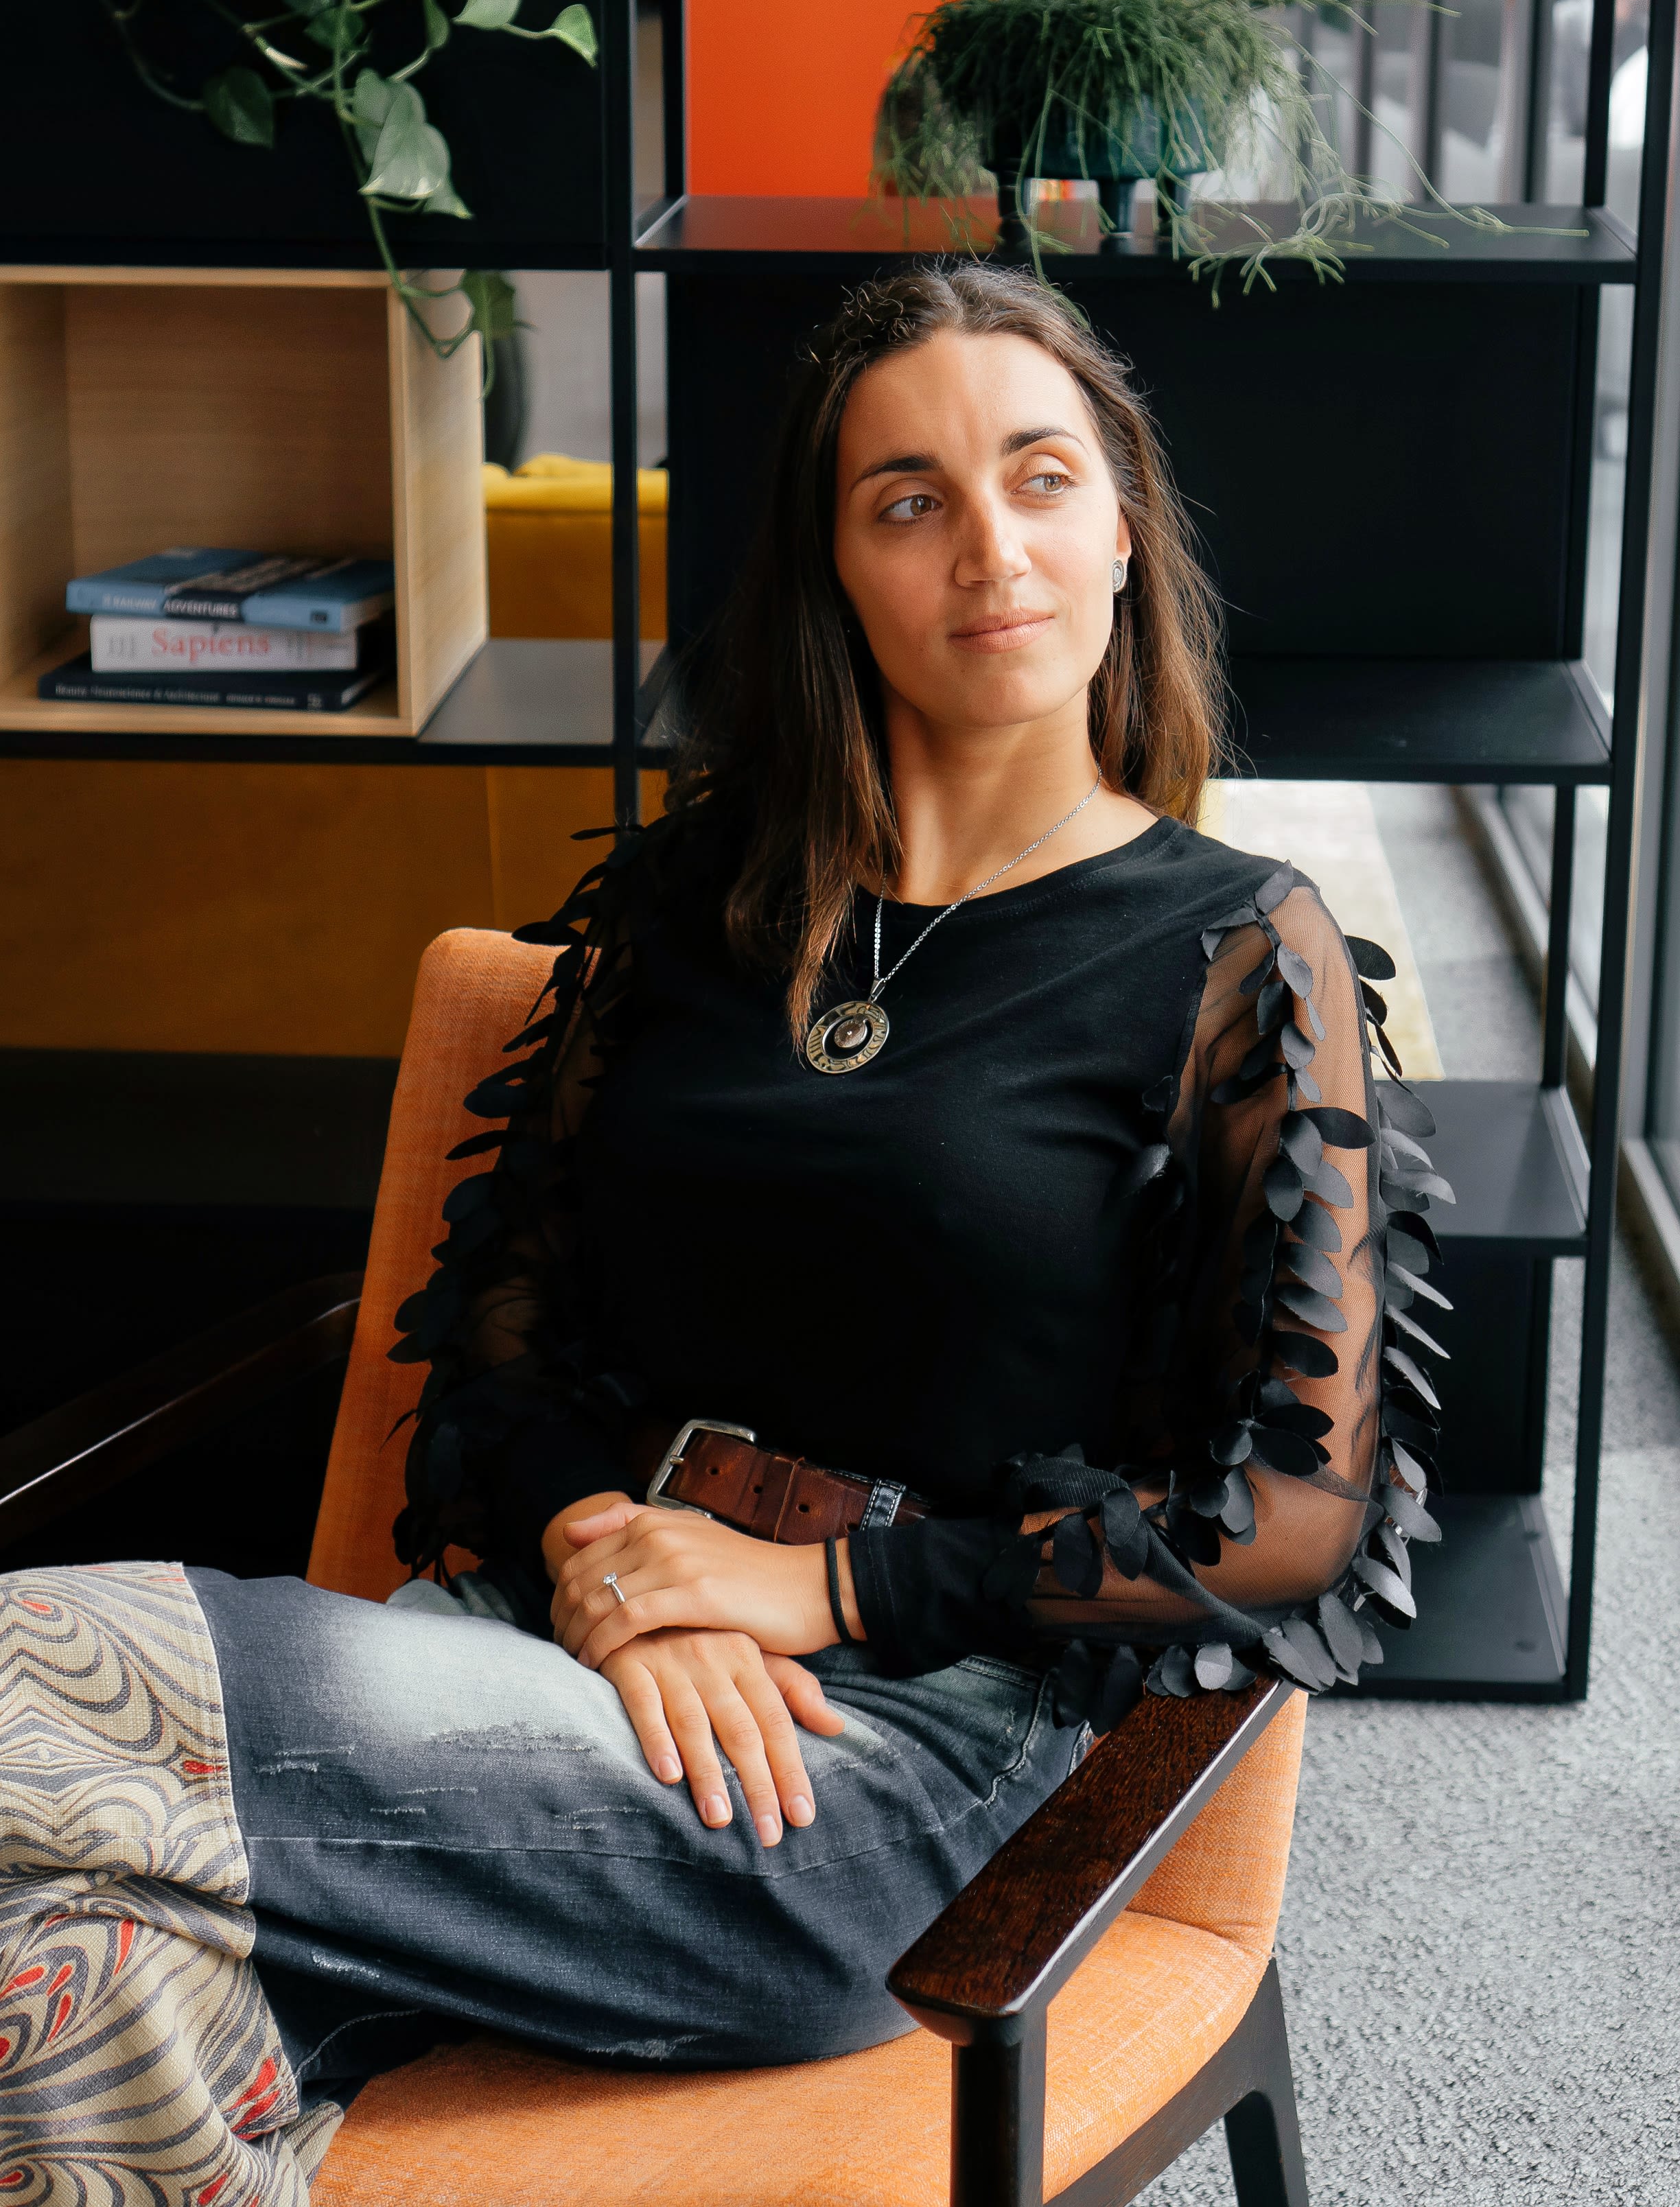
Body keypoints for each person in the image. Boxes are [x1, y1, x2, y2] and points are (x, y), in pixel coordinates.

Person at [0, 263, 1448, 2198]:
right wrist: (610, 1557)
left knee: (21, 1683)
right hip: (556, 1622)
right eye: (909, 500)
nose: (989, 547)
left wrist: (820, 1590)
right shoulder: (699, 899)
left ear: (1121, 528)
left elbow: (1294, 1516)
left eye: (1039, 477)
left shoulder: (1235, 953)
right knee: (61, 1986)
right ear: (833, 565)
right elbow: (500, 1334)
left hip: (859, 1760)